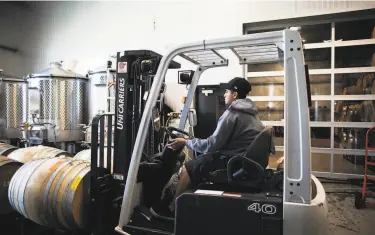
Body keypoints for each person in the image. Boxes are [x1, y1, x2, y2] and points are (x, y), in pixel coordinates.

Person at [164, 77, 265, 213]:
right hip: (242, 160)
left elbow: (212, 144)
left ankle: (174, 210)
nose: (224, 94)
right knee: (201, 161)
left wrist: (186, 142)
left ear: (235, 95)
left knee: (188, 168)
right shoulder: (252, 114)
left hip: (232, 162)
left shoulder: (232, 114)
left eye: (227, 91)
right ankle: (189, 203)